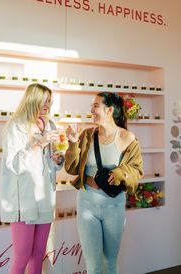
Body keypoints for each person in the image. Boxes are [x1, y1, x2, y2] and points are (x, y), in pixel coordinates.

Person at [65, 92, 144, 274]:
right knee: (92, 265)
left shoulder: (127, 138)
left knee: (110, 262)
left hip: (113, 206)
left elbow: (137, 171)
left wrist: (121, 172)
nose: (91, 109)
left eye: (95, 106)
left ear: (109, 110)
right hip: (86, 203)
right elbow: (72, 168)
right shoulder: (86, 135)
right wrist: (73, 143)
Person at [0, 83, 63, 274]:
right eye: (45, 100)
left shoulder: (49, 124)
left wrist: (57, 159)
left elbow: (50, 164)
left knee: (38, 256)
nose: (48, 105)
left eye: (50, 101)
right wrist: (40, 144)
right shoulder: (16, 125)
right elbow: (14, 164)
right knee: (22, 256)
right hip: (24, 200)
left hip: (44, 198)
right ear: (32, 99)